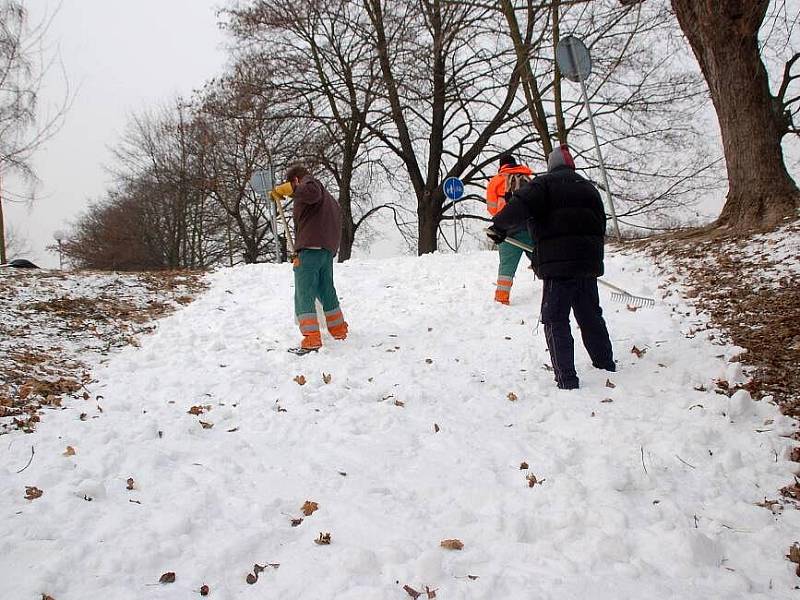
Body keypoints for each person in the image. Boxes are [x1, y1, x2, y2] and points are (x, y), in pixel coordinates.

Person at [486, 144, 614, 389]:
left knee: (556, 319)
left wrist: (498, 227)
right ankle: (606, 364)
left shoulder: (543, 184)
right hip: (587, 262)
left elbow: (520, 205)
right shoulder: (588, 188)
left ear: (551, 166)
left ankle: (567, 380)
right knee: (590, 315)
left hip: (558, 265)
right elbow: (601, 223)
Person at [270, 165, 348, 353]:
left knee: (304, 292)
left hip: (310, 249)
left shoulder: (309, 183)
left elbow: (310, 192)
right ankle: (339, 330)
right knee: (326, 289)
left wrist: (290, 189)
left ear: (296, 179)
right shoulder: (329, 199)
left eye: (292, 184)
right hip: (326, 250)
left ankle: (311, 339)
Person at [485, 153, 534, 304]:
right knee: (541, 260)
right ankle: (553, 289)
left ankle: (501, 299)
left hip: (507, 232)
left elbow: (492, 209)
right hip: (530, 228)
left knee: (506, 267)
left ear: (501, 166)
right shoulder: (529, 180)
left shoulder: (496, 181)